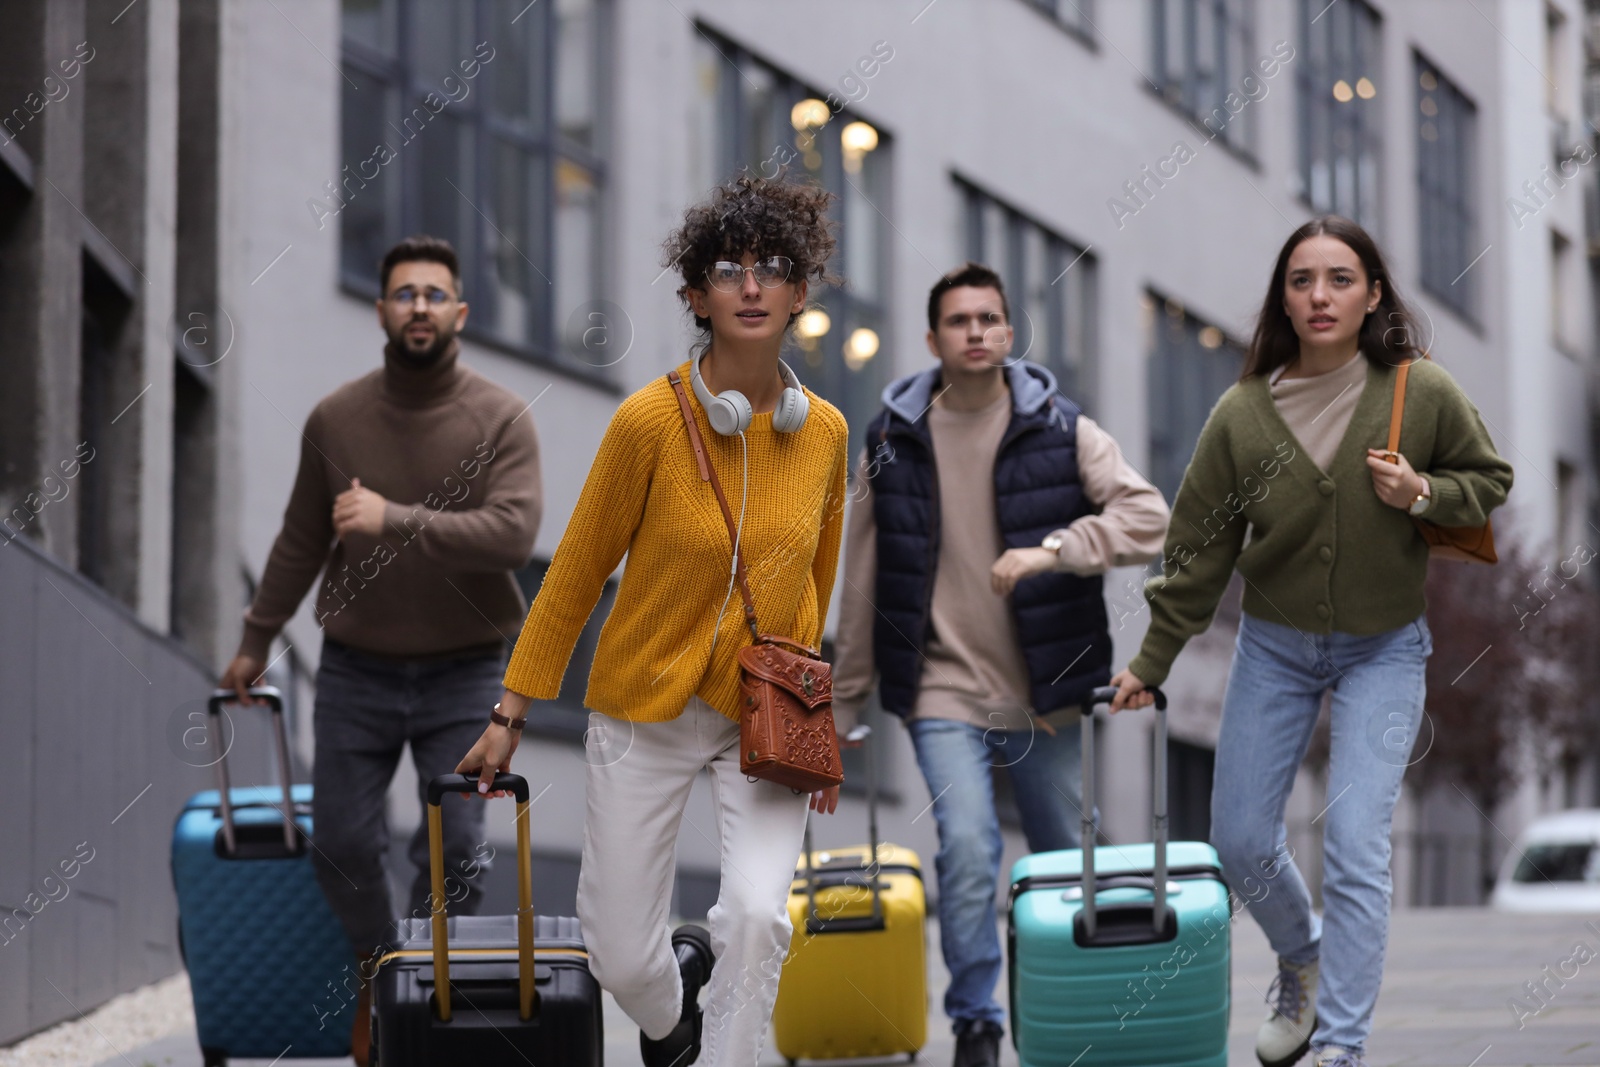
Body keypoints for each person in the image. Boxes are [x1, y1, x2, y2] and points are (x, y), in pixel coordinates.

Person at [454, 174, 849, 1067]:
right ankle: (674, 1018)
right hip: (642, 710)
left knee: (756, 916)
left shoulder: (824, 432)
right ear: (695, 296)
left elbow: (818, 591)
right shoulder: (647, 424)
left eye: (772, 268)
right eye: (728, 269)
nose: (751, 286)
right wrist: (509, 716)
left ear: (798, 292)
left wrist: (815, 724)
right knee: (619, 952)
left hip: (764, 719)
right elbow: (573, 578)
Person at [1109, 216, 1514, 1067]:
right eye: (1302, 280)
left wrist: (1422, 490)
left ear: (1372, 295)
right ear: (1282, 299)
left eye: (1339, 278)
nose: (1320, 296)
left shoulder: (1420, 390)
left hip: (1385, 649)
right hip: (1275, 647)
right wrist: (1152, 661)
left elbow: (1487, 485)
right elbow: (1197, 550)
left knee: (1358, 847)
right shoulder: (1243, 415)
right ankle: (1301, 951)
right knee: (1241, 841)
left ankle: (1340, 1045)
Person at [831, 262, 1171, 1067]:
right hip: (940, 682)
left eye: (989, 318)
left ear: (1010, 334)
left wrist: (1055, 549)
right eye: (959, 320)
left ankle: (1070, 1001)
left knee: (1061, 859)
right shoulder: (892, 438)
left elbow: (1148, 515)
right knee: (972, 847)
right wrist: (843, 699)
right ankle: (977, 1018)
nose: (976, 331)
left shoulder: (1061, 427)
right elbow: (863, 570)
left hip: (1044, 687)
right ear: (932, 338)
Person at [218, 234, 542, 1063]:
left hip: (465, 665)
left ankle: (421, 1000)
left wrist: (394, 517)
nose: (421, 307)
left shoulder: (501, 415)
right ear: (382, 310)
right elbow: (298, 540)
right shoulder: (336, 418)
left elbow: (512, 535)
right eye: (406, 294)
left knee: (460, 855)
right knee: (342, 843)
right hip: (357, 665)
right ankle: (381, 971)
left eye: (436, 294)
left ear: (461, 311)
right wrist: (256, 638)